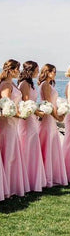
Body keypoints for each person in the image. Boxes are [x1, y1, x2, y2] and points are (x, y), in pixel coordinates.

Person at [0, 59, 29, 197]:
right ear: (11, 70)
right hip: (8, 124)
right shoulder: (6, 85)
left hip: (14, 123)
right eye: (17, 69)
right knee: (8, 153)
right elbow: (6, 106)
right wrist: (21, 114)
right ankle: (6, 188)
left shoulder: (13, 84)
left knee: (12, 153)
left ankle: (11, 185)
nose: (19, 71)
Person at [18, 60, 47, 192]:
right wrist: (39, 112)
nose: (38, 71)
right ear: (31, 70)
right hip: (27, 120)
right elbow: (27, 103)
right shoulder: (24, 84)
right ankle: (27, 180)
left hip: (33, 119)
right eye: (37, 69)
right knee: (28, 146)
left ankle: (34, 179)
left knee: (33, 147)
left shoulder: (32, 84)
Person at [38, 64, 68, 187]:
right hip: (48, 119)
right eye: (53, 72)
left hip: (51, 119)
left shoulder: (48, 85)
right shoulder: (45, 85)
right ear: (47, 72)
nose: (55, 74)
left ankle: (51, 175)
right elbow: (49, 105)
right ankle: (47, 177)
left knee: (52, 146)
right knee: (47, 146)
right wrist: (59, 117)